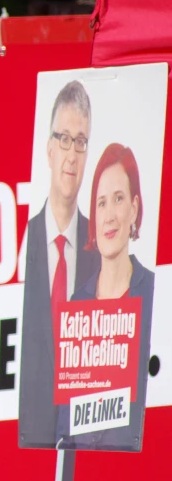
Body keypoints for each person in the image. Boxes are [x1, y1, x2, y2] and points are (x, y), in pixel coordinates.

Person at [18, 80, 100, 449]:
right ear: (49, 149)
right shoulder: (24, 240)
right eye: (64, 139)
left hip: (88, 450)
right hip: (26, 452)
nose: (71, 154)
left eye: (80, 141)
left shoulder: (102, 252)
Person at [57, 143, 154, 451]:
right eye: (101, 203)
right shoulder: (76, 305)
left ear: (134, 209)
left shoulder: (153, 294)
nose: (109, 215)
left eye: (118, 199)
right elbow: (64, 427)